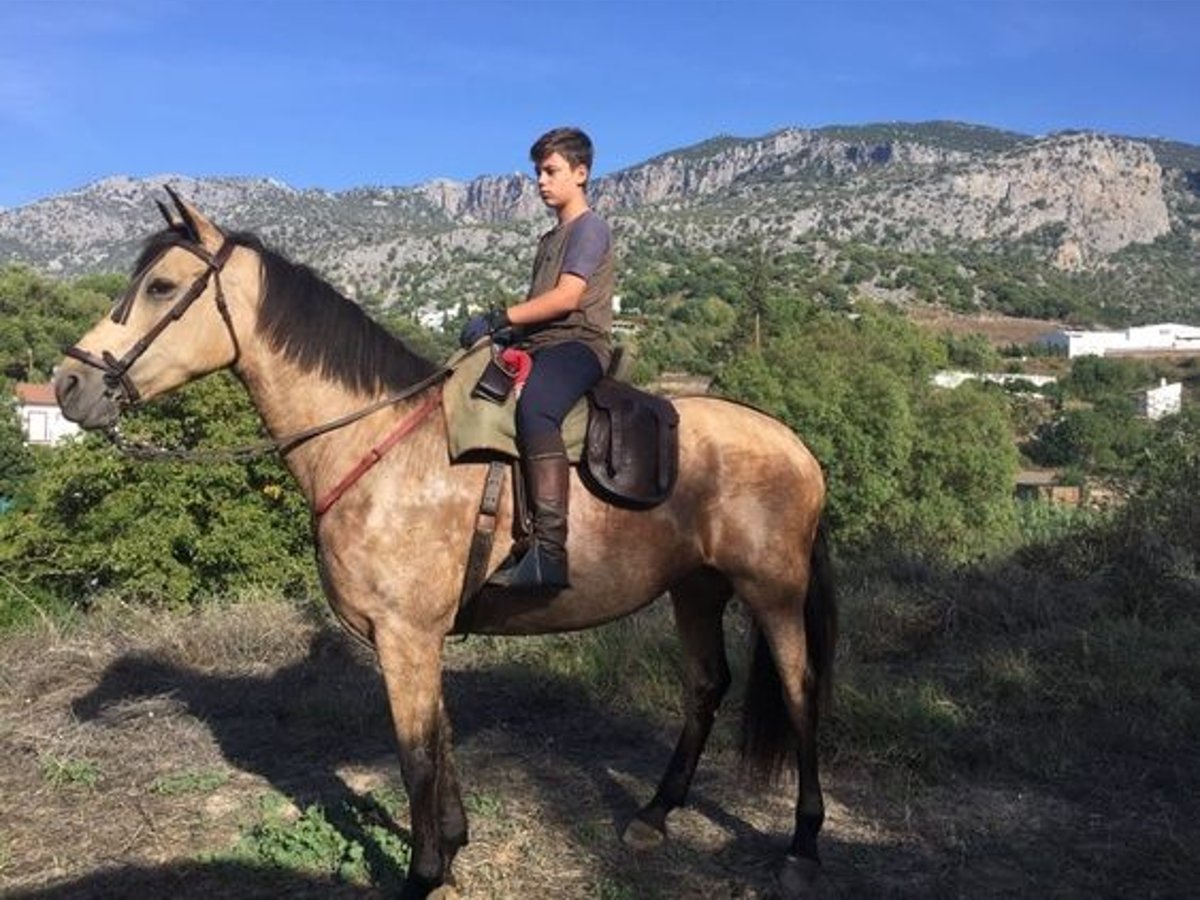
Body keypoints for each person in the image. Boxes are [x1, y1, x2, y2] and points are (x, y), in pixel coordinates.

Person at [459, 126, 614, 590]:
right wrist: (504, 335)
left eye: (551, 171)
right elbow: (539, 308)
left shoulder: (590, 228)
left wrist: (498, 316)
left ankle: (549, 550)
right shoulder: (551, 238)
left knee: (536, 408)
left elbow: (567, 299)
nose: (541, 182)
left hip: (580, 344)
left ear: (580, 173)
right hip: (541, 344)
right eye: (538, 173)